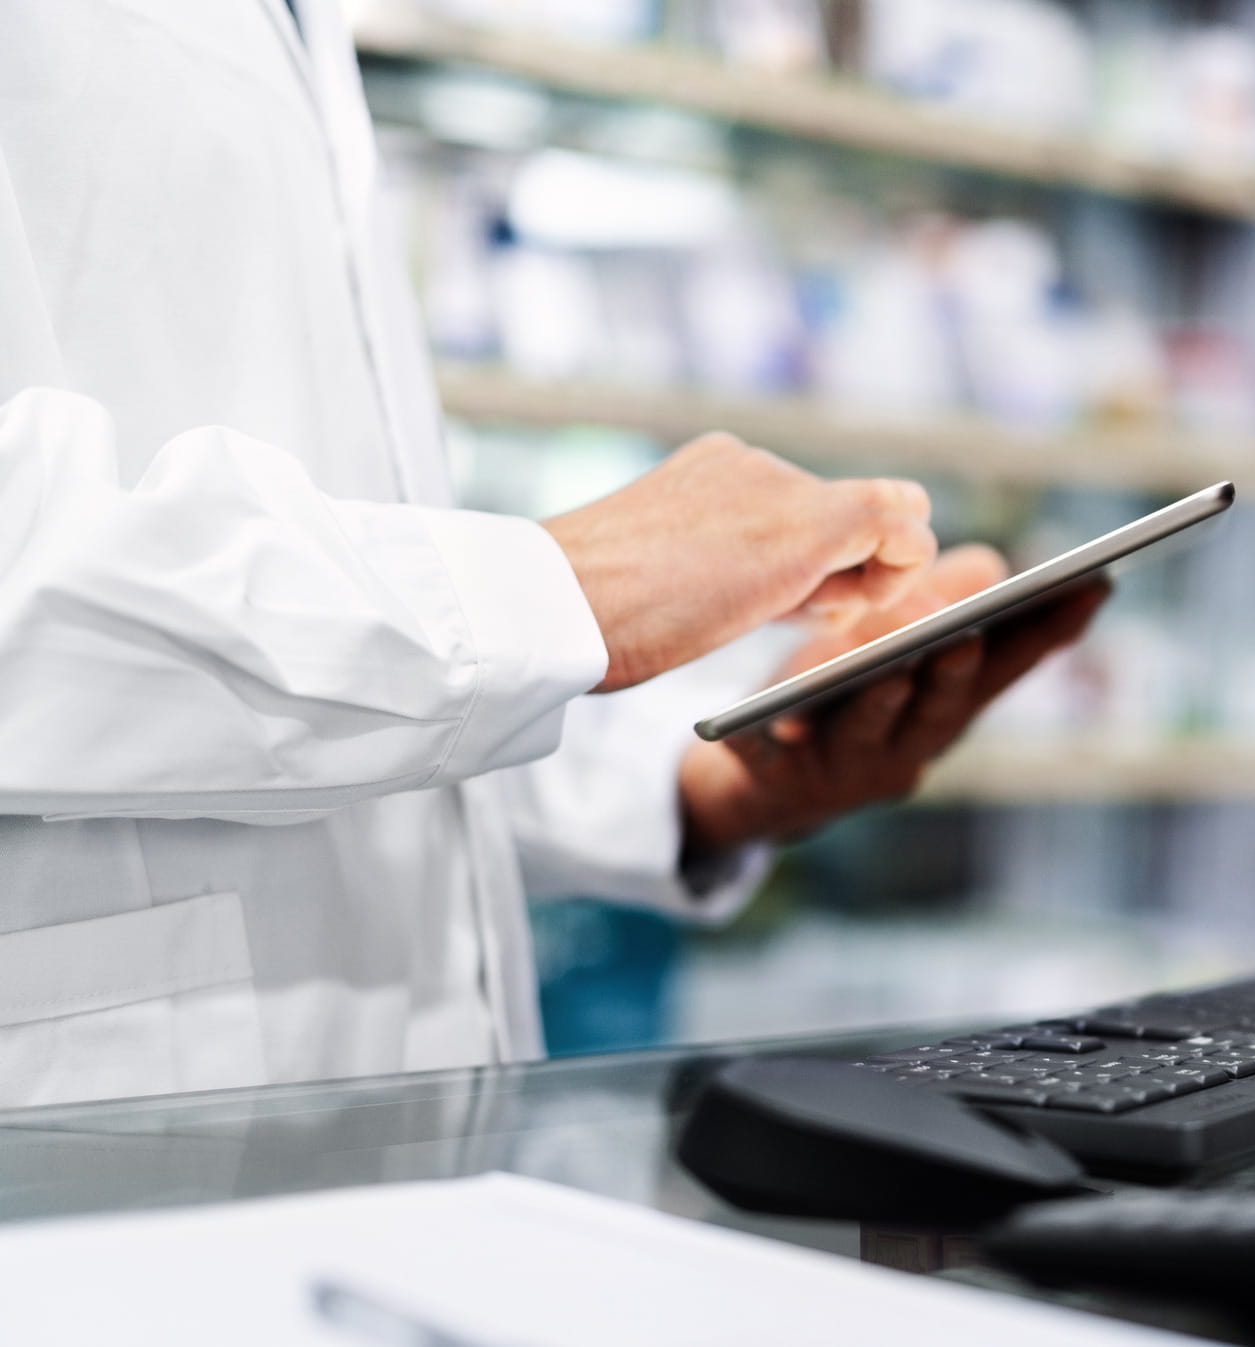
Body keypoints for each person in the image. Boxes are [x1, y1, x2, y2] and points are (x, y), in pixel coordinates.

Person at [0, 2, 1101, 1108]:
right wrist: (573, 588)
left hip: (396, 1112)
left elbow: (373, 668)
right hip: (88, 1150)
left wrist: (686, 784)